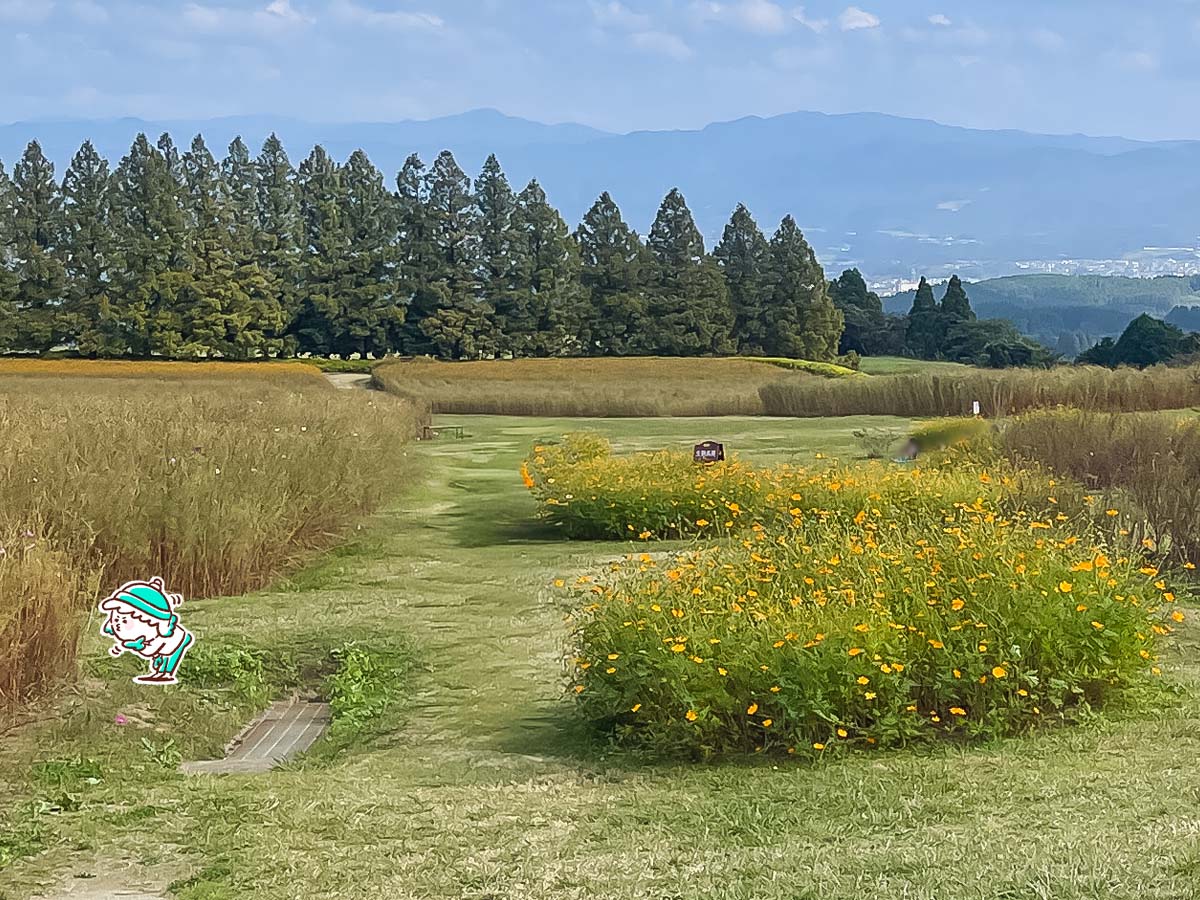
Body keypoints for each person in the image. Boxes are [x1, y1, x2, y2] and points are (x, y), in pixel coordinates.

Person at [99, 577, 194, 685]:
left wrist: (122, 646)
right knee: (162, 655)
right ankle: (160, 673)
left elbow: (135, 645)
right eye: (116, 619)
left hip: (179, 639)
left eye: (125, 620)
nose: (118, 624)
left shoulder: (157, 635)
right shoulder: (142, 639)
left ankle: (166, 673)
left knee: (169, 653)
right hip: (159, 645)